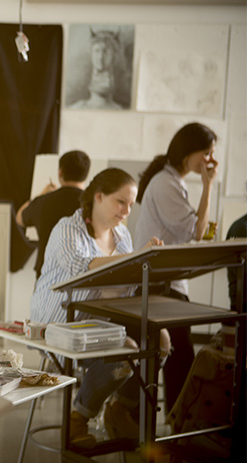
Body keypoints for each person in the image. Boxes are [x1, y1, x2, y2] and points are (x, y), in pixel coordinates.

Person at [29, 168, 168, 447]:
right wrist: (138, 257)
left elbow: (126, 285)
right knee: (125, 350)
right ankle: (78, 419)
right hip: (59, 323)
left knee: (160, 339)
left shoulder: (123, 236)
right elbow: (84, 269)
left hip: (103, 321)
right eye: (121, 202)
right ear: (99, 196)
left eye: (131, 204)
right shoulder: (67, 229)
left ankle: (120, 408)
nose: (127, 211)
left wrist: (148, 262)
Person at [134, 122, 219, 413]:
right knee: (180, 356)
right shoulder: (165, 183)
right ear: (189, 151)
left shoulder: (171, 181)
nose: (209, 160)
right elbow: (195, 231)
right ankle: (177, 423)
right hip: (160, 285)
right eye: (206, 153)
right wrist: (208, 185)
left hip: (166, 283)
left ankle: (174, 421)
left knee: (179, 355)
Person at [16, 150, 91, 278]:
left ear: (60, 172)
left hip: (46, 275)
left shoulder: (43, 202)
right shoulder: (93, 204)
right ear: (86, 175)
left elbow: (20, 218)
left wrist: (41, 195)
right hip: (81, 275)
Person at [70, 29, 123, 110]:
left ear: (114, 55)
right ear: (91, 53)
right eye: (97, 51)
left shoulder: (118, 109)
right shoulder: (77, 107)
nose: (100, 57)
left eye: (106, 51)